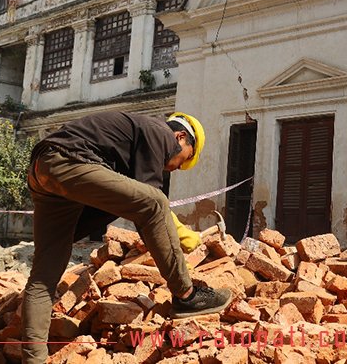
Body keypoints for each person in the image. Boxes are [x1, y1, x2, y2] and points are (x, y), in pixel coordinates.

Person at [21, 111, 233, 364]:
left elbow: (137, 204)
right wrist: (178, 240)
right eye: (182, 160)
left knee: (44, 275)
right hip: (70, 160)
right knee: (154, 203)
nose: (173, 168)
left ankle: (33, 360)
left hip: (43, 168)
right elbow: (152, 205)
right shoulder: (159, 132)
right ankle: (187, 296)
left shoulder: (132, 143)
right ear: (181, 136)